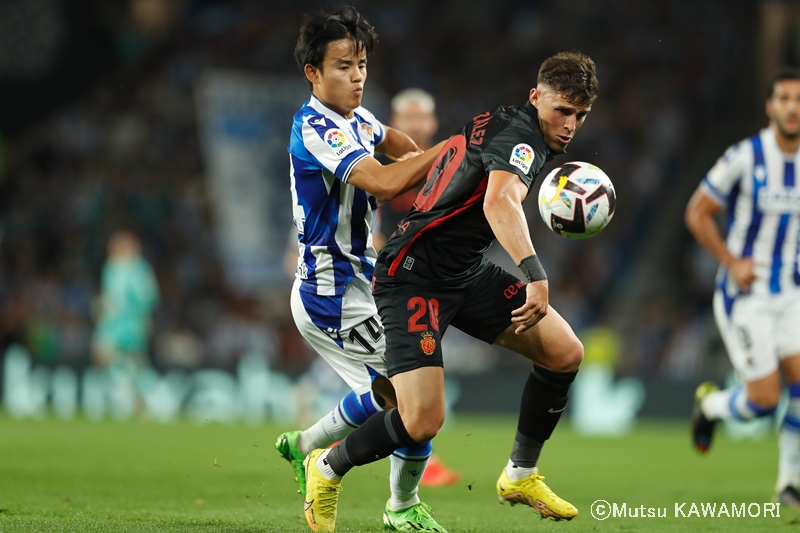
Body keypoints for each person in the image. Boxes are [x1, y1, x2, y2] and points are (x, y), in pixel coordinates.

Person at [303, 51, 599, 532]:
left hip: (464, 272)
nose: (569, 125)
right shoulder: (522, 139)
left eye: (579, 116)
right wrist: (535, 274)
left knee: (564, 352)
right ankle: (326, 466)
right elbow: (499, 199)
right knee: (420, 421)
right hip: (412, 277)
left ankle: (519, 474)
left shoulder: (506, 120)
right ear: (536, 98)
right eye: (562, 111)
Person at [275, 6, 448, 533]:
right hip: (329, 295)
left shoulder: (357, 118)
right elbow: (382, 181)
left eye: (363, 64)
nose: (357, 77)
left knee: (393, 392)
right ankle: (398, 504)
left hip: (361, 286)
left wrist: (421, 154)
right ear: (313, 73)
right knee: (414, 394)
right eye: (344, 66)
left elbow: (391, 141)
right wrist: (448, 153)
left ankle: (306, 446)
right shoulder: (316, 129)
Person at [687, 67, 800, 507]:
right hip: (747, 296)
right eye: (785, 99)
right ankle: (711, 407)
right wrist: (732, 263)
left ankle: (789, 481)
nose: (793, 108)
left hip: (792, 293)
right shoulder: (746, 156)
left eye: (799, 99)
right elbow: (698, 212)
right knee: (764, 402)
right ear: (771, 107)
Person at [375, 87, 460, 488]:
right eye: (403, 117)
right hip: (388, 283)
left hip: (437, 283)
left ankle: (319, 438)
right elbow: (366, 232)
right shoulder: (374, 168)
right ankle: (419, 464)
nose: (411, 124)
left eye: (418, 117)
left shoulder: (452, 169)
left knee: (403, 378)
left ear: (432, 123)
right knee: (398, 375)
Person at [91, 230, 160, 417]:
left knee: (135, 366)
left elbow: (148, 298)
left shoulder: (139, 270)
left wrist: (137, 315)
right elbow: (108, 298)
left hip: (131, 326)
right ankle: (130, 399)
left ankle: (144, 399)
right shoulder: (110, 268)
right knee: (108, 357)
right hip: (112, 325)